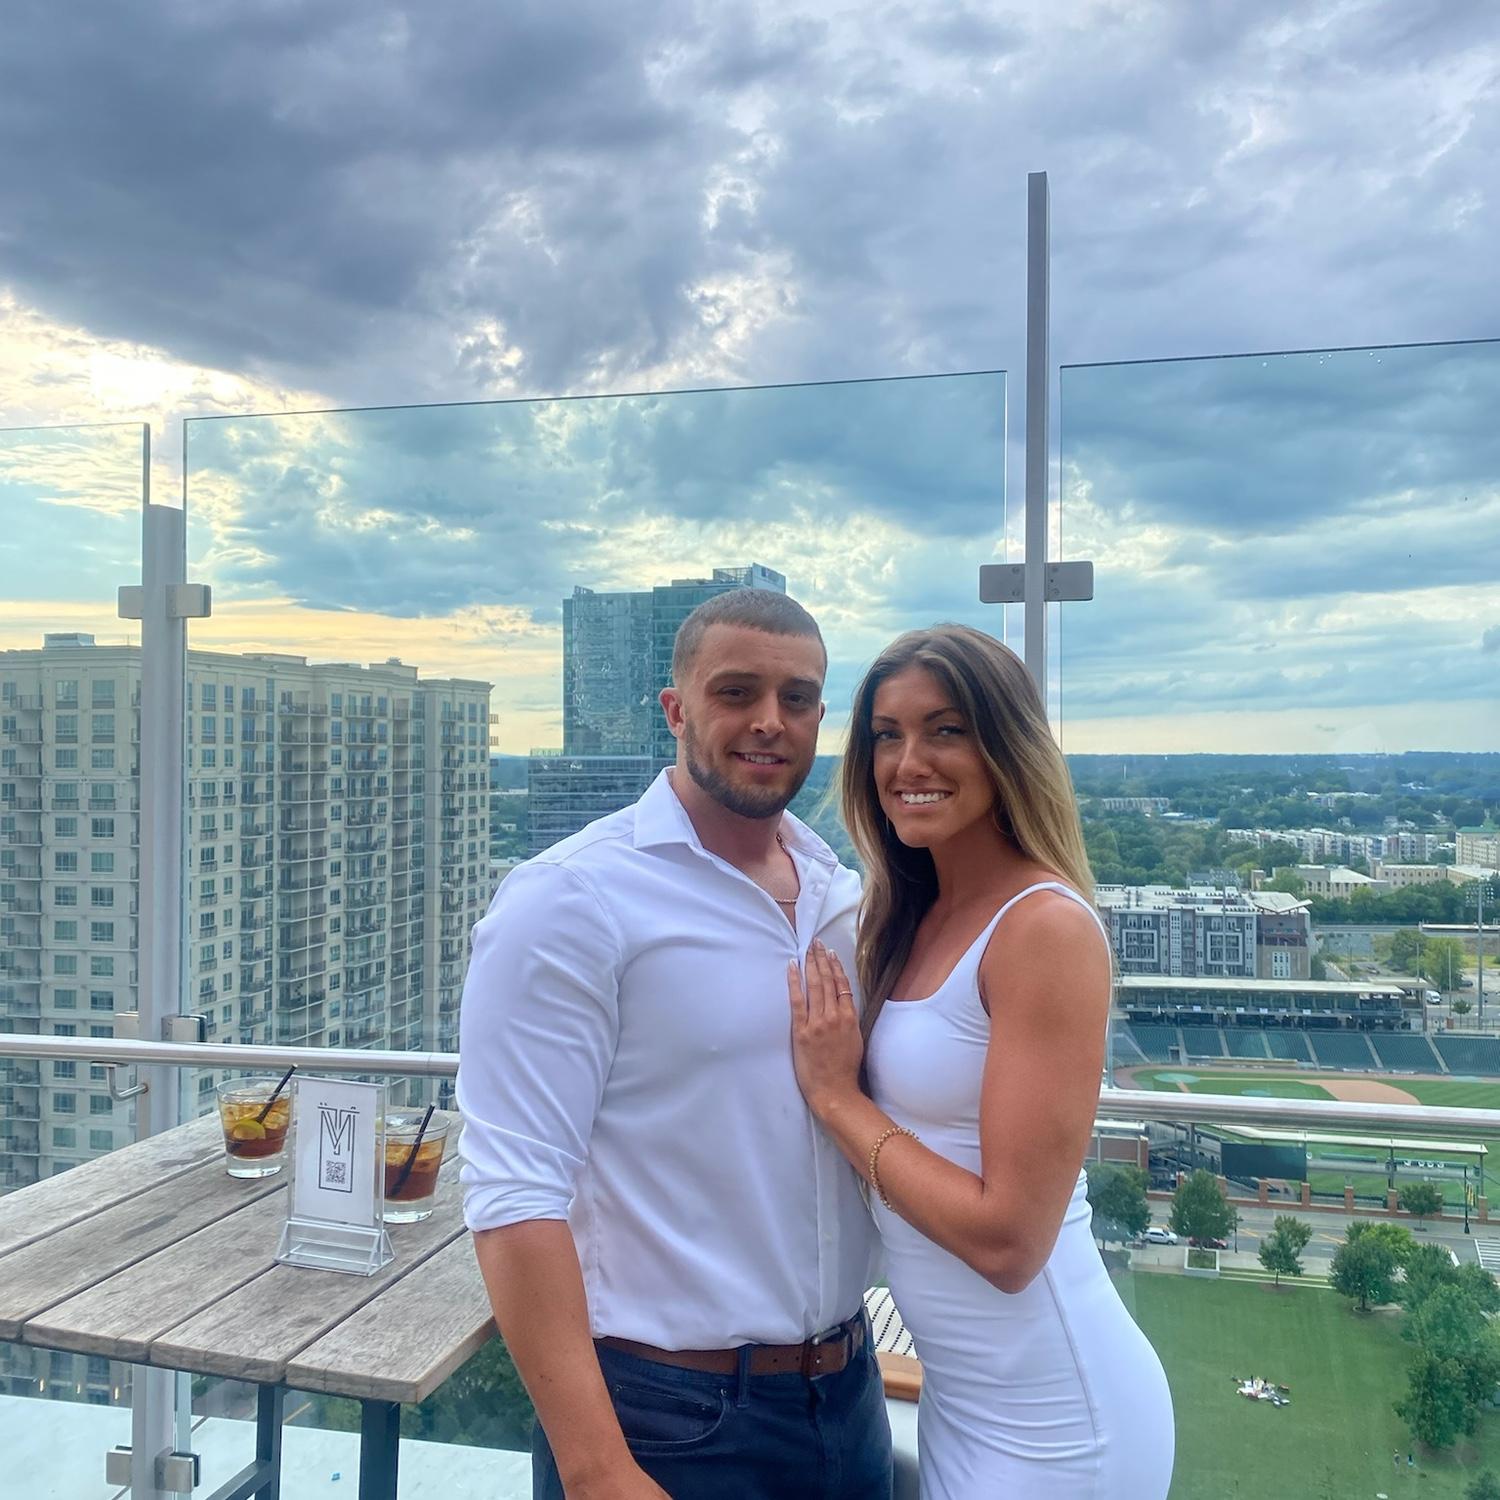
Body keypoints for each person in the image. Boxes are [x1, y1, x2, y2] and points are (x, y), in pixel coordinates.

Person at [457, 588, 892, 1500]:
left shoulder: (839, 896)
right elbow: (513, 1194)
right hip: (667, 1417)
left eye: (797, 698)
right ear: (676, 709)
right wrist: (597, 1468)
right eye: (736, 692)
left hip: (849, 1396)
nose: (769, 721)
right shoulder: (571, 901)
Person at [787, 623, 1175, 1499]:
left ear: (1006, 747)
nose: (908, 762)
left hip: (1062, 1424)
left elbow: (1010, 1243)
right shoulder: (906, 914)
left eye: (946, 730)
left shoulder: (1043, 927)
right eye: (887, 735)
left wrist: (838, 1098)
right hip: (962, 1402)